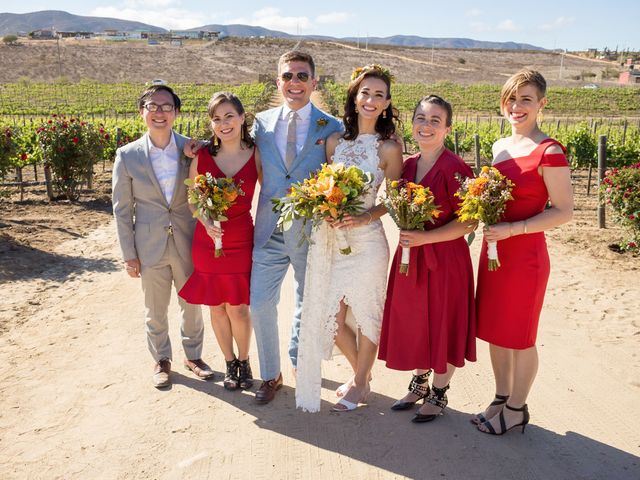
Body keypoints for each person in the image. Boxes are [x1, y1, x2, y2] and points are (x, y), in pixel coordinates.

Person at [295, 64, 403, 412]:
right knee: (335, 319)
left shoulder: (388, 148)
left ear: (386, 104)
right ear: (355, 98)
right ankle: (364, 376)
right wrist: (326, 207)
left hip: (369, 240)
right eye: (365, 93)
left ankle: (359, 383)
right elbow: (328, 187)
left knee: (368, 312)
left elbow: (394, 198)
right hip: (333, 238)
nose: (371, 100)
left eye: (379, 95)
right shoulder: (334, 142)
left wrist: (364, 216)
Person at [474, 69, 573, 435]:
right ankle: (500, 398)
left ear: (541, 104)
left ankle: (516, 409)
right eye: (511, 99)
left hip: (525, 255)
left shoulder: (550, 151)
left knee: (520, 334)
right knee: (497, 331)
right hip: (494, 252)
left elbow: (564, 211)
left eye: (526, 99)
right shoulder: (501, 146)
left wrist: (514, 229)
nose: (517, 107)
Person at [250, 51, 343, 404]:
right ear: (278, 82)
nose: (295, 82)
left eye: (302, 76)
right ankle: (270, 374)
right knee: (259, 303)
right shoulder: (259, 123)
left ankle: (299, 361)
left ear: (314, 83)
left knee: (308, 301)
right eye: (288, 76)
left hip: (311, 230)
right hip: (269, 229)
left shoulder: (332, 126)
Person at [378, 95, 477, 423]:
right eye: (421, 118)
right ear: (413, 123)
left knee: (443, 322)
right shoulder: (406, 166)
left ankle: (439, 392)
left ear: (447, 128)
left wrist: (427, 237)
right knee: (418, 321)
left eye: (436, 120)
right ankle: (419, 384)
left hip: (446, 259)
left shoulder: (456, 168)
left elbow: (470, 221)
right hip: (412, 257)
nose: (427, 125)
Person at [112, 84, 213, 389]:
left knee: (192, 304)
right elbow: (122, 208)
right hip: (149, 246)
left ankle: (193, 356)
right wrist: (129, 254)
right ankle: (161, 360)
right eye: (152, 106)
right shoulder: (127, 156)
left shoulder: (193, 149)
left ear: (176, 112)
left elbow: (222, 147)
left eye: (166, 106)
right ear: (142, 112)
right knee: (154, 309)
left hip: (187, 240)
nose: (159, 112)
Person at [179, 92, 260, 391]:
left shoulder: (257, 153)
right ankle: (229, 364)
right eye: (217, 119)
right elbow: (192, 199)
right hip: (207, 237)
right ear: (211, 124)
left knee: (238, 306)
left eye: (229, 116)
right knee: (216, 306)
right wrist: (206, 222)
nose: (223, 124)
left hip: (241, 237)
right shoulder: (202, 155)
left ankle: (244, 360)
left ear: (241, 118)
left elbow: (271, 191)